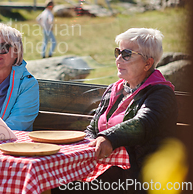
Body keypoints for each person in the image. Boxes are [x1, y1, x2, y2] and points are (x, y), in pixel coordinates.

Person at [54, 28, 178, 193]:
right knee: (54, 182)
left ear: (148, 63)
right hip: (106, 172)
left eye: (127, 54)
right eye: (117, 52)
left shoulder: (160, 93)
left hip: (137, 178)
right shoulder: (116, 89)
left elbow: (144, 122)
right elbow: (93, 128)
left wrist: (108, 137)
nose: (119, 59)